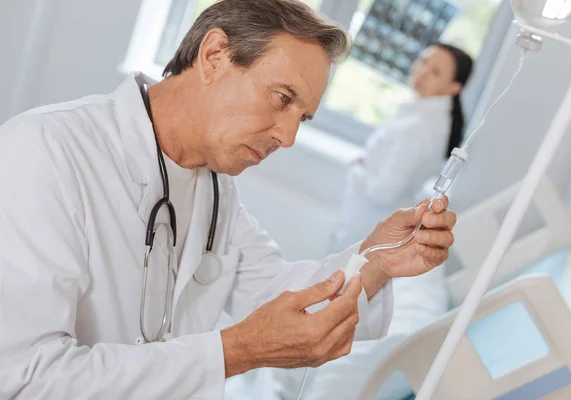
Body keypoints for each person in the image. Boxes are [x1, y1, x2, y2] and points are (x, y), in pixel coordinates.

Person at [0, 1, 457, 398]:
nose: (289, 135)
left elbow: (276, 293)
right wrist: (234, 351)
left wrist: (378, 258)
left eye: (304, 117)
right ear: (214, 55)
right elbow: (23, 379)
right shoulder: (45, 151)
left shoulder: (215, 188)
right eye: (282, 98)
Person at [328, 43, 473, 254]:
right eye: (423, 61)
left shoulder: (418, 128)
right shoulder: (427, 117)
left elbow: (382, 193)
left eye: (435, 72)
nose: (422, 72)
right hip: (372, 227)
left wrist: (359, 167)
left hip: (367, 228)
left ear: (454, 88)